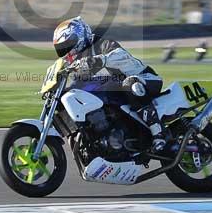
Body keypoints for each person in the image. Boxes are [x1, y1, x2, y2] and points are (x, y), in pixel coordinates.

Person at [52, 16, 166, 152]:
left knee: (131, 84)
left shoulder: (103, 44)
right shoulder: (79, 60)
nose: (66, 50)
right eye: (61, 48)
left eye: (68, 44)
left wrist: (99, 60)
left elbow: (121, 55)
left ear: (81, 37)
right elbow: (79, 84)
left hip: (145, 80)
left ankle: (158, 134)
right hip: (120, 92)